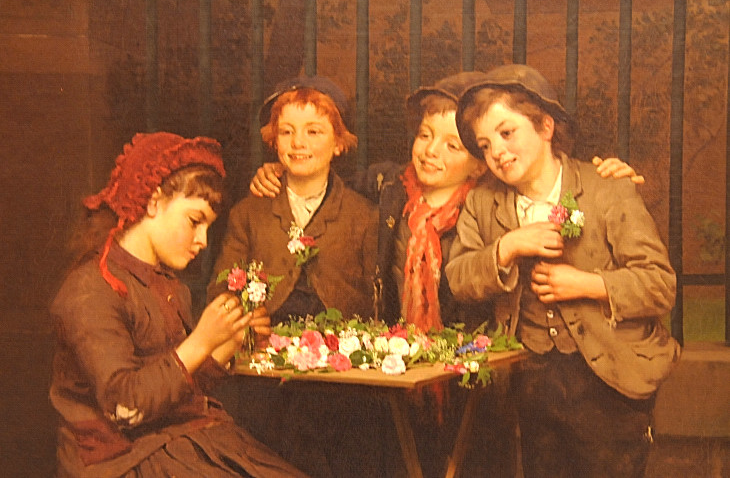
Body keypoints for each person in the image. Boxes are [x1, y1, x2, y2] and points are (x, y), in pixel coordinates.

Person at [249, 71, 645, 477]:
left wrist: (610, 172)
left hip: (477, 385)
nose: (430, 151)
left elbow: (554, 181)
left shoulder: (493, 204)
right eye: (424, 135)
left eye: (452, 144)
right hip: (398, 380)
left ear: (480, 163)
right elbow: (320, 181)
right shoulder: (386, 187)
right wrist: (277, 171)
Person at [445, 64, 680, 478]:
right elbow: (458, 278)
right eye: (485, 144)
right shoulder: (483, 203)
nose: (497, 151)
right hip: (532, 383)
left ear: (546, 127)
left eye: (507, 132)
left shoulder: (606, 188)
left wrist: (587, 284)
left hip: (611, 380)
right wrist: (507, 247)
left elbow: (660, 285)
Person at [49, 132, 307, 477]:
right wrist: (201, 341)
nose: (203, 241)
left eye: (208, 227)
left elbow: (179, 387)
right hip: (123, 460)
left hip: (176, 439)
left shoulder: (170, 285)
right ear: (154, 202)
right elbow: (125, 406)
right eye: (194, 221)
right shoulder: (92, 288)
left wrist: (226, 343)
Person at [206, 76, 381, 477]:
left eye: (313, 131)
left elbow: (377, 301)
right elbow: (221, 287)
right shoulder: (249, 213)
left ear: (339, 143)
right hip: (264, 370)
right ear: (274, 141)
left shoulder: (364, 216)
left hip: (340, 373)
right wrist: (243, 317)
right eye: (286, 132)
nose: (298, 142)